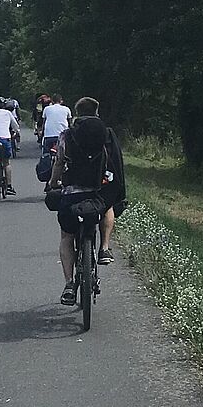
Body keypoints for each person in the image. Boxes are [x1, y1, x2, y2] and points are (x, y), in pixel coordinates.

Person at [48, 97, 127, 304]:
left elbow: (59, 162)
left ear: (76, 112)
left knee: (67, 236)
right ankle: (104, 248)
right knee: (107, 204)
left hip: (72, 194)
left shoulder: (67, 135)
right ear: (97, 112)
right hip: (98, 192)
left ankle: (68, 284)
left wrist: (53, 182)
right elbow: (115, 161)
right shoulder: (106, 134)